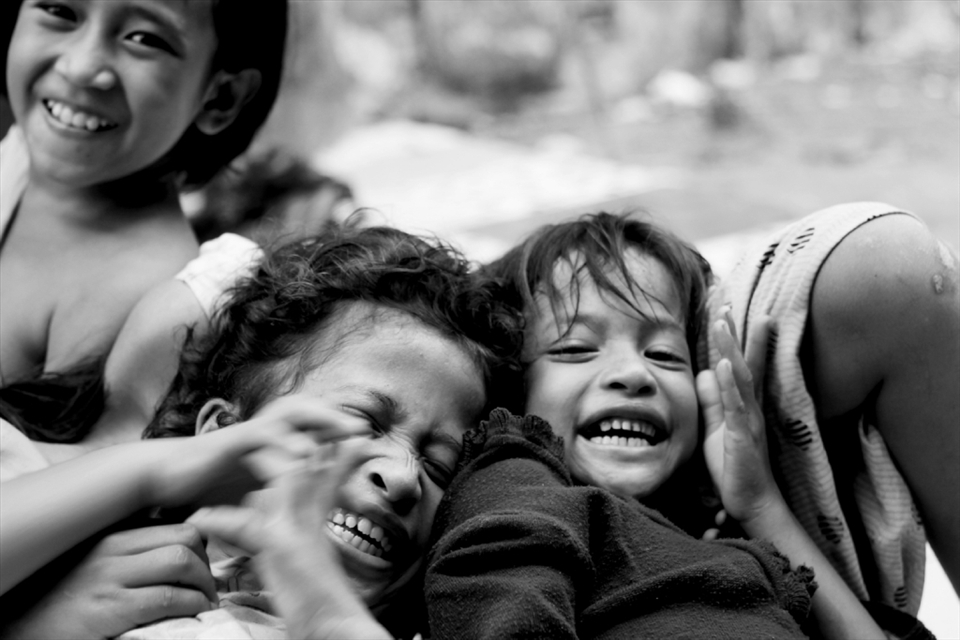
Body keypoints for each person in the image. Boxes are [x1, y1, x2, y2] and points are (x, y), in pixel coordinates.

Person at [422, 212, 930, 639]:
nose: (634, 373)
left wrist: (762, 504)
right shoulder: (516, 495)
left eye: (664, 354)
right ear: (510, 390)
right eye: (575, 348)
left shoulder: (732, 545)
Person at [0, 226, 521, 639]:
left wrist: (329, 619)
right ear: (223, 435)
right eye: (361, 420)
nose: (405, 476)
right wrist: (161, 470)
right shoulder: (51, 552)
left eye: (438, 467)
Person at [0, 0, 287, 439]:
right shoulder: (13, 158)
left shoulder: (135, 292)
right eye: (60, 10)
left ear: (221, 98)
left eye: (144, 39)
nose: (80, 67)